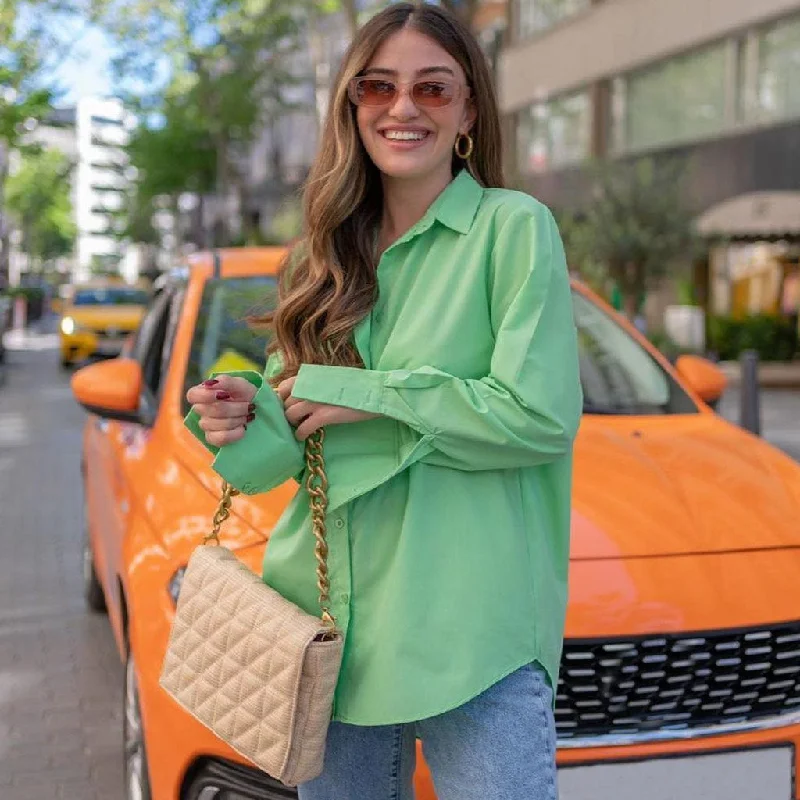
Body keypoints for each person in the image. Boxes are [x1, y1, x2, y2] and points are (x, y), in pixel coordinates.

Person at [185, 3, 582, 798]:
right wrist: (237, 420)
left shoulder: (513, 229)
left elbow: (538, 416)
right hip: (331, 629)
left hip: (476, 628)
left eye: (433, 90)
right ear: (352, 107)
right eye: (379, 87)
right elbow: (280, 462)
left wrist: (369, 394)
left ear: (469, 109)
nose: (403, 108)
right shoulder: (319, 256)